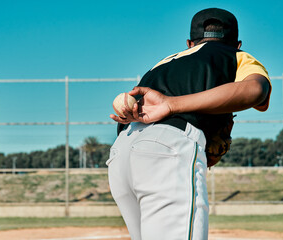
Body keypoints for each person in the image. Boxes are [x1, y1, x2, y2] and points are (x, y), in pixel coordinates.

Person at [107, 8, 271, 240]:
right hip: (167, 150)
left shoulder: (161, 64)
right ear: (237, 43)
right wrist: (172, 105)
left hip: (121, 154)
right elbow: (256, 91)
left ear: (189, 43)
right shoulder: (235, 55)